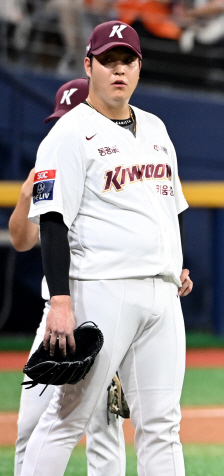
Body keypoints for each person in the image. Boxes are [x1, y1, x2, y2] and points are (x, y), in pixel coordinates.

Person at [21, 20, 193, 476]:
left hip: (161, 294)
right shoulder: (68, 133)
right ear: (88, 66)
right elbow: (52, 221)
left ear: (140, 67)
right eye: (108, 61)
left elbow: (167, 208)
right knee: (66, 418)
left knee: (161, 424)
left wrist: (177, 265)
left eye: (127, 60)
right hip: (102, 288)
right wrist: (60, 300)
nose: (119, 70)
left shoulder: (156, 128)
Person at [11, 78, 130, 476]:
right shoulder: (54, 164)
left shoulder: (117, 173)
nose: (61, 126)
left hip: (105, 305)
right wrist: (27, 195)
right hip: (55, 313)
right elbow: (22, 240)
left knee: (103, 429)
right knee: (30, 426)